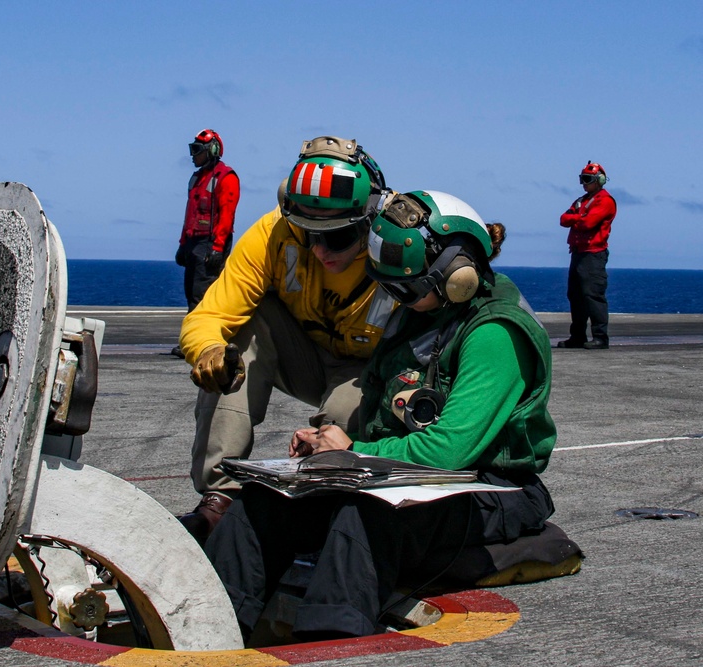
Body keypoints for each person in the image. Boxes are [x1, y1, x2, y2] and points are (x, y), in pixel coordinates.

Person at [206, 191, 558, 642]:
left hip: (491, 485)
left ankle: (329, 642)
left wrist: (354, 452)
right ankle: (212, 627)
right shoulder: (418, 314)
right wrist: (328, 451)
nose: (395, 296)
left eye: (405, 288)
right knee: (264, 501)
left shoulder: (495, 333)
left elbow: (448, 450)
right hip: (405, 477)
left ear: (457, 278)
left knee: (365, 514)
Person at [177, 136, 396, 544]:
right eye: (307, 233)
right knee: (236, 334)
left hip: (373, 372)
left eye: (337, 237)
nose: (319, 250)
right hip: (308, 357)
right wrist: (207, 349)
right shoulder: (274, 232)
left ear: (369, 219)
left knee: (345, 414)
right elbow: (208, 315)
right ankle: (219, 500)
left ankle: (324, 507)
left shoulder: (401, 240)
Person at [173, 129, 240, 357]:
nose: (192, 155)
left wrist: (218, 248)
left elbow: (226, 215)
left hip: (210, 243)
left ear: (211, 151)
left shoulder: (226, 177)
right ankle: (191, 341)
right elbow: (189, 214)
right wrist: (183, 245)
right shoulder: (197, 178)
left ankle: (201, 344)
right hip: (194, 241)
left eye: (197, 151)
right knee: (191, 291)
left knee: (203, 293)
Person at [558, 161, 616, 350]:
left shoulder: (605, 201)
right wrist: (579, 218)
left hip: (593, 255)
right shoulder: (582, 201)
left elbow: (588, 223)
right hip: (578, 254)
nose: (584, 183)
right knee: (575, 295)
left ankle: (601, 337)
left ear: (598, 180)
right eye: (582, 179)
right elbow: (563, 219)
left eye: (587, 179)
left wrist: (577, 218)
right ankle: (577, 336)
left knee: (593, 295)